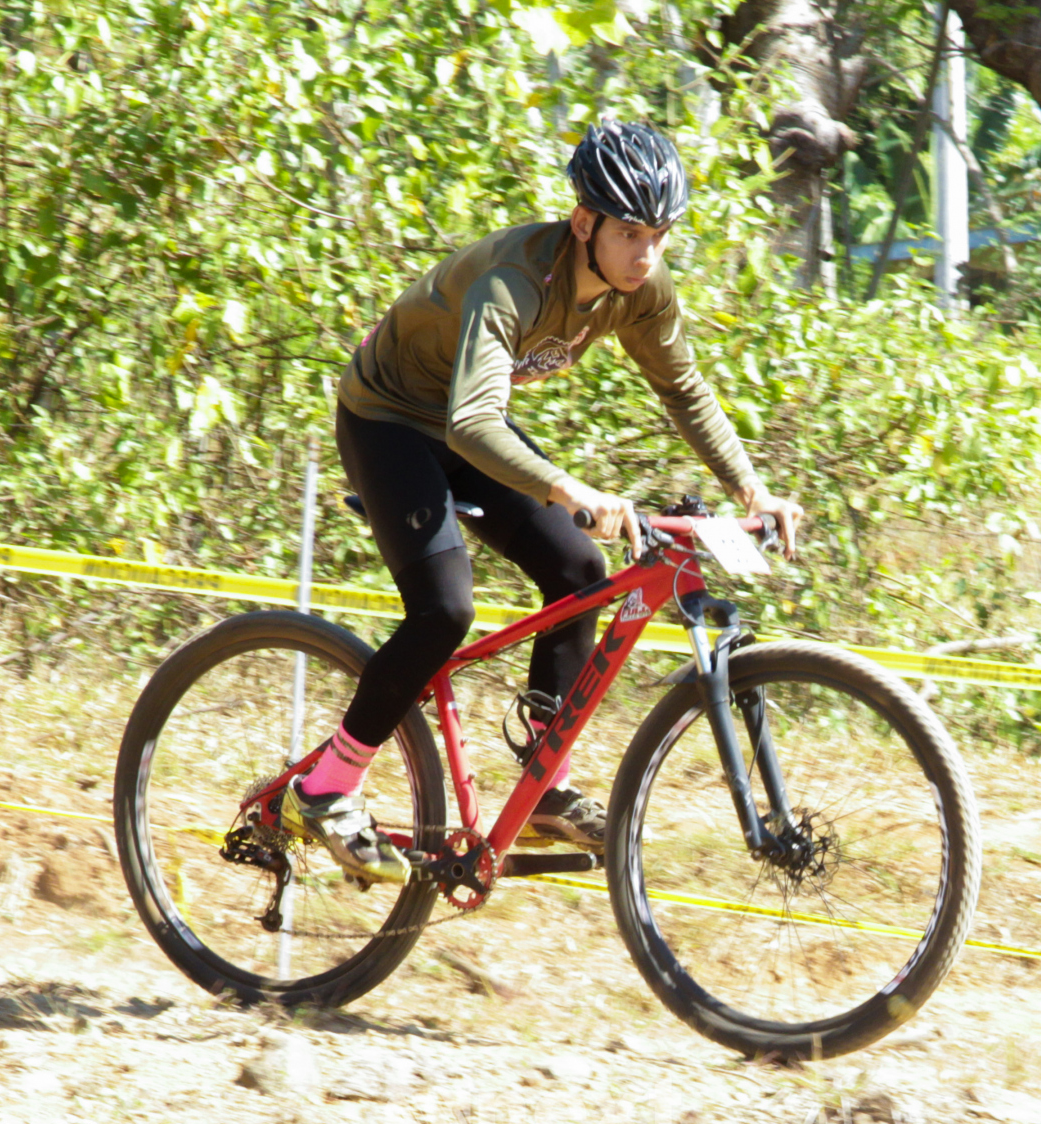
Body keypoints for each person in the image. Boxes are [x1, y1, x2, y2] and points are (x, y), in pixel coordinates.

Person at [285, 119, 805, 883]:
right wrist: (571, 489)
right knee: (444, 610)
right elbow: (472, 423)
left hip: (466, 423)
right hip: (390, 418)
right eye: (630, 233)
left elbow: (684, 389)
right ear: (584, 222)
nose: (647, 254)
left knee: (579, 570)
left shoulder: (641, 290)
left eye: (660, 235)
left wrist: (751, 487)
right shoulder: (515, 281)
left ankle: (543, 780)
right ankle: (325, 789)